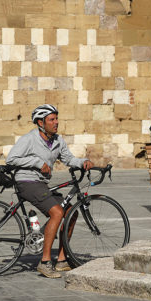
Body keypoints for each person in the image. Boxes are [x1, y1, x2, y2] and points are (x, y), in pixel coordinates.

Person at [6, 104, 94, 278]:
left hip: (41, 184)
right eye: (51, 119)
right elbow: (12, 158)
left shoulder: (57, 140)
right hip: (27, 181)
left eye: (56, 119)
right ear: (41, 122)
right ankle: (45, 262)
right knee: (57, 212)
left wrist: (83, 162)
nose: (56, 122)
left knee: (71, 213)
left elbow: (68, 158)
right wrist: (38, 163)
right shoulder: (29, 139)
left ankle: (61, 260)